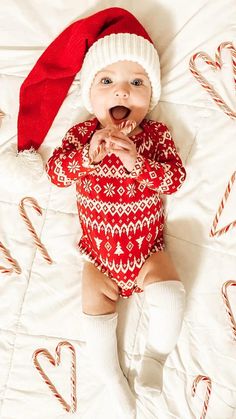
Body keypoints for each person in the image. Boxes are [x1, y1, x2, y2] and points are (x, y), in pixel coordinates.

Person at [16, 7, 186, 419]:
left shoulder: (155, 136)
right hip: (98, 255)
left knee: (167, 290)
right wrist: (86, 158)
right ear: (90, 97)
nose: (122, 92)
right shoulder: (81, 136)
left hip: (148, 248)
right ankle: (111, 380)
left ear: (152, 96)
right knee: (93, 304)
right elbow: (56, 174)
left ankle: (156, 359)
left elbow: (174, 179)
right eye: (107, 82)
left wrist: (137, 165)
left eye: (136, 82)